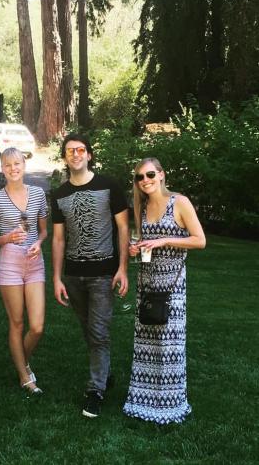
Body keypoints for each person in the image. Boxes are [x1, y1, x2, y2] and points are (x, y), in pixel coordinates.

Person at [123, 158, 206, 424]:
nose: (145, 180)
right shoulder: (142, 206)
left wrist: (164, 240)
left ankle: (170, 403)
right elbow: (143, 241)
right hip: (147, 283)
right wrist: (136, 248)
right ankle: (143, 400)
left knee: (170, 345)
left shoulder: (179, 202)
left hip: (172, 285)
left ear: (161, 175)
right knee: (146, 343)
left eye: (149, 174)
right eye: (140, 177)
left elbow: (200, 240)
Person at [51, 133, 129, 418]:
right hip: (74, 276)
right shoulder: (59, 194)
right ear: (65, 157)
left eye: (80, 149)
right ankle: (104, 374)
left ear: (89, 155)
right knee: (89, 331)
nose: (75, 154)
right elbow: (58, 239)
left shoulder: (109, 185)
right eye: (70, 150)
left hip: (103, 274)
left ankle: (95, 391)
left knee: (98, 332)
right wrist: (56, 278)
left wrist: (122, 269)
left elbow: (123, 228)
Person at [0, 148, 48, 395]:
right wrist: (8, 238)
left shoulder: (38, 193)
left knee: (37, 326)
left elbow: (43, 230)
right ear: (2, 168)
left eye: (17, 164)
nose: (13, 168)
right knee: (17, 322)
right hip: (10, 262)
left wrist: (39, 242)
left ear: (24, 165)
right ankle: (24, 375)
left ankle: (21, 361)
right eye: (8, 165)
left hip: (34, 260)